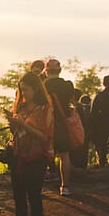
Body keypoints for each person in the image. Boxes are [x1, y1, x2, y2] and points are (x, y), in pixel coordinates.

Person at [1, 71, 54, 216]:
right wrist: (13, 122)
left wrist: (23, 124)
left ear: (36, 89)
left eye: (26, 90)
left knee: (34, 196)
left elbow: (44, 137)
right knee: (18, 196)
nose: (23, 94)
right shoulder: (21, 107)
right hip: (19, 155)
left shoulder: (44, 109)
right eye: (21, 90)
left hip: (36, 157)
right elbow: (17, 133)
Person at [43, 60, 74, 196]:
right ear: (60, 70)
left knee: (43, 154)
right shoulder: (67, 85)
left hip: (47, 123)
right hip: (63, 124)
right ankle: (65, 186)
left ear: (46, 71)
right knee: (64, 155)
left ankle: (40, 185)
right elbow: (72, 101)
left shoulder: (43, 85)